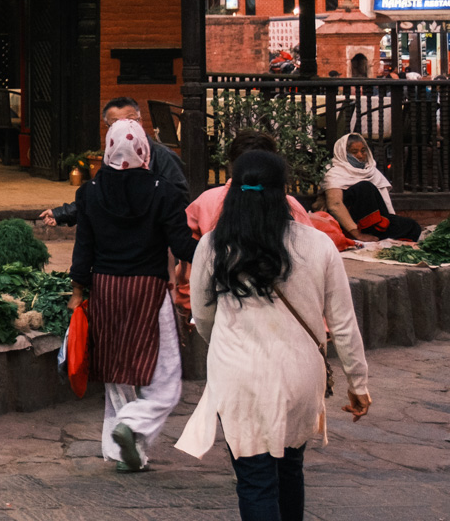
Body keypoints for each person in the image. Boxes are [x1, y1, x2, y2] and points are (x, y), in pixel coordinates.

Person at [176, 150, 372, 521]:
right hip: (301, 371)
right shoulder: (317, 244)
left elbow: (202, 314)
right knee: (290, 463)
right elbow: (342, 323)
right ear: (284, 191)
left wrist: (224, 341)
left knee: (256, 476)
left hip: (241, 374)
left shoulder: (215, 245)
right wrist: (358, 383)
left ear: (232, 188)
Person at [71, 118, 196, 473]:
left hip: (106, 289)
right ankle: (136, 424)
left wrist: (77, 292)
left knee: (116, 371)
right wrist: (217, 247)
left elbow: (84, 249)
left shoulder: (91, 192)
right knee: (167, 376)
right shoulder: (164, 191)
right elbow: (182, 245)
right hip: (149, 290)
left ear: (109, 149)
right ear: (144, 149)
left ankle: (122, 450)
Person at [176, 132, 339, 311]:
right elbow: (309, 265)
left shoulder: (206, 201)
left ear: (231, 166)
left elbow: (185, 256)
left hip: (222, 305)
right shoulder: (290, 206)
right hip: (279, 307)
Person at [40, 97, 184, 227]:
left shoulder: (163, 156)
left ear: (140, 121)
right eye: (116, 124)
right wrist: (62, 214)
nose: (125, 129)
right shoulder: (111, 158)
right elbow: (99, 195)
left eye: (131, 121)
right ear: (108, 128)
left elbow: (180, 199)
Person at [322, 133, 423, 241]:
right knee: (365, 186)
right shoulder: (335, 173)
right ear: (343, 153)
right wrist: (357, 233)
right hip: (351, 224)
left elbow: (384, 205)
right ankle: (371, 231)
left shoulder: (371, 171)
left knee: (413, 227)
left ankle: (378, 230)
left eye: (363, 150)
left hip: (377, 223)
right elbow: (335, 205)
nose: (360, 155)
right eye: (354, 152)